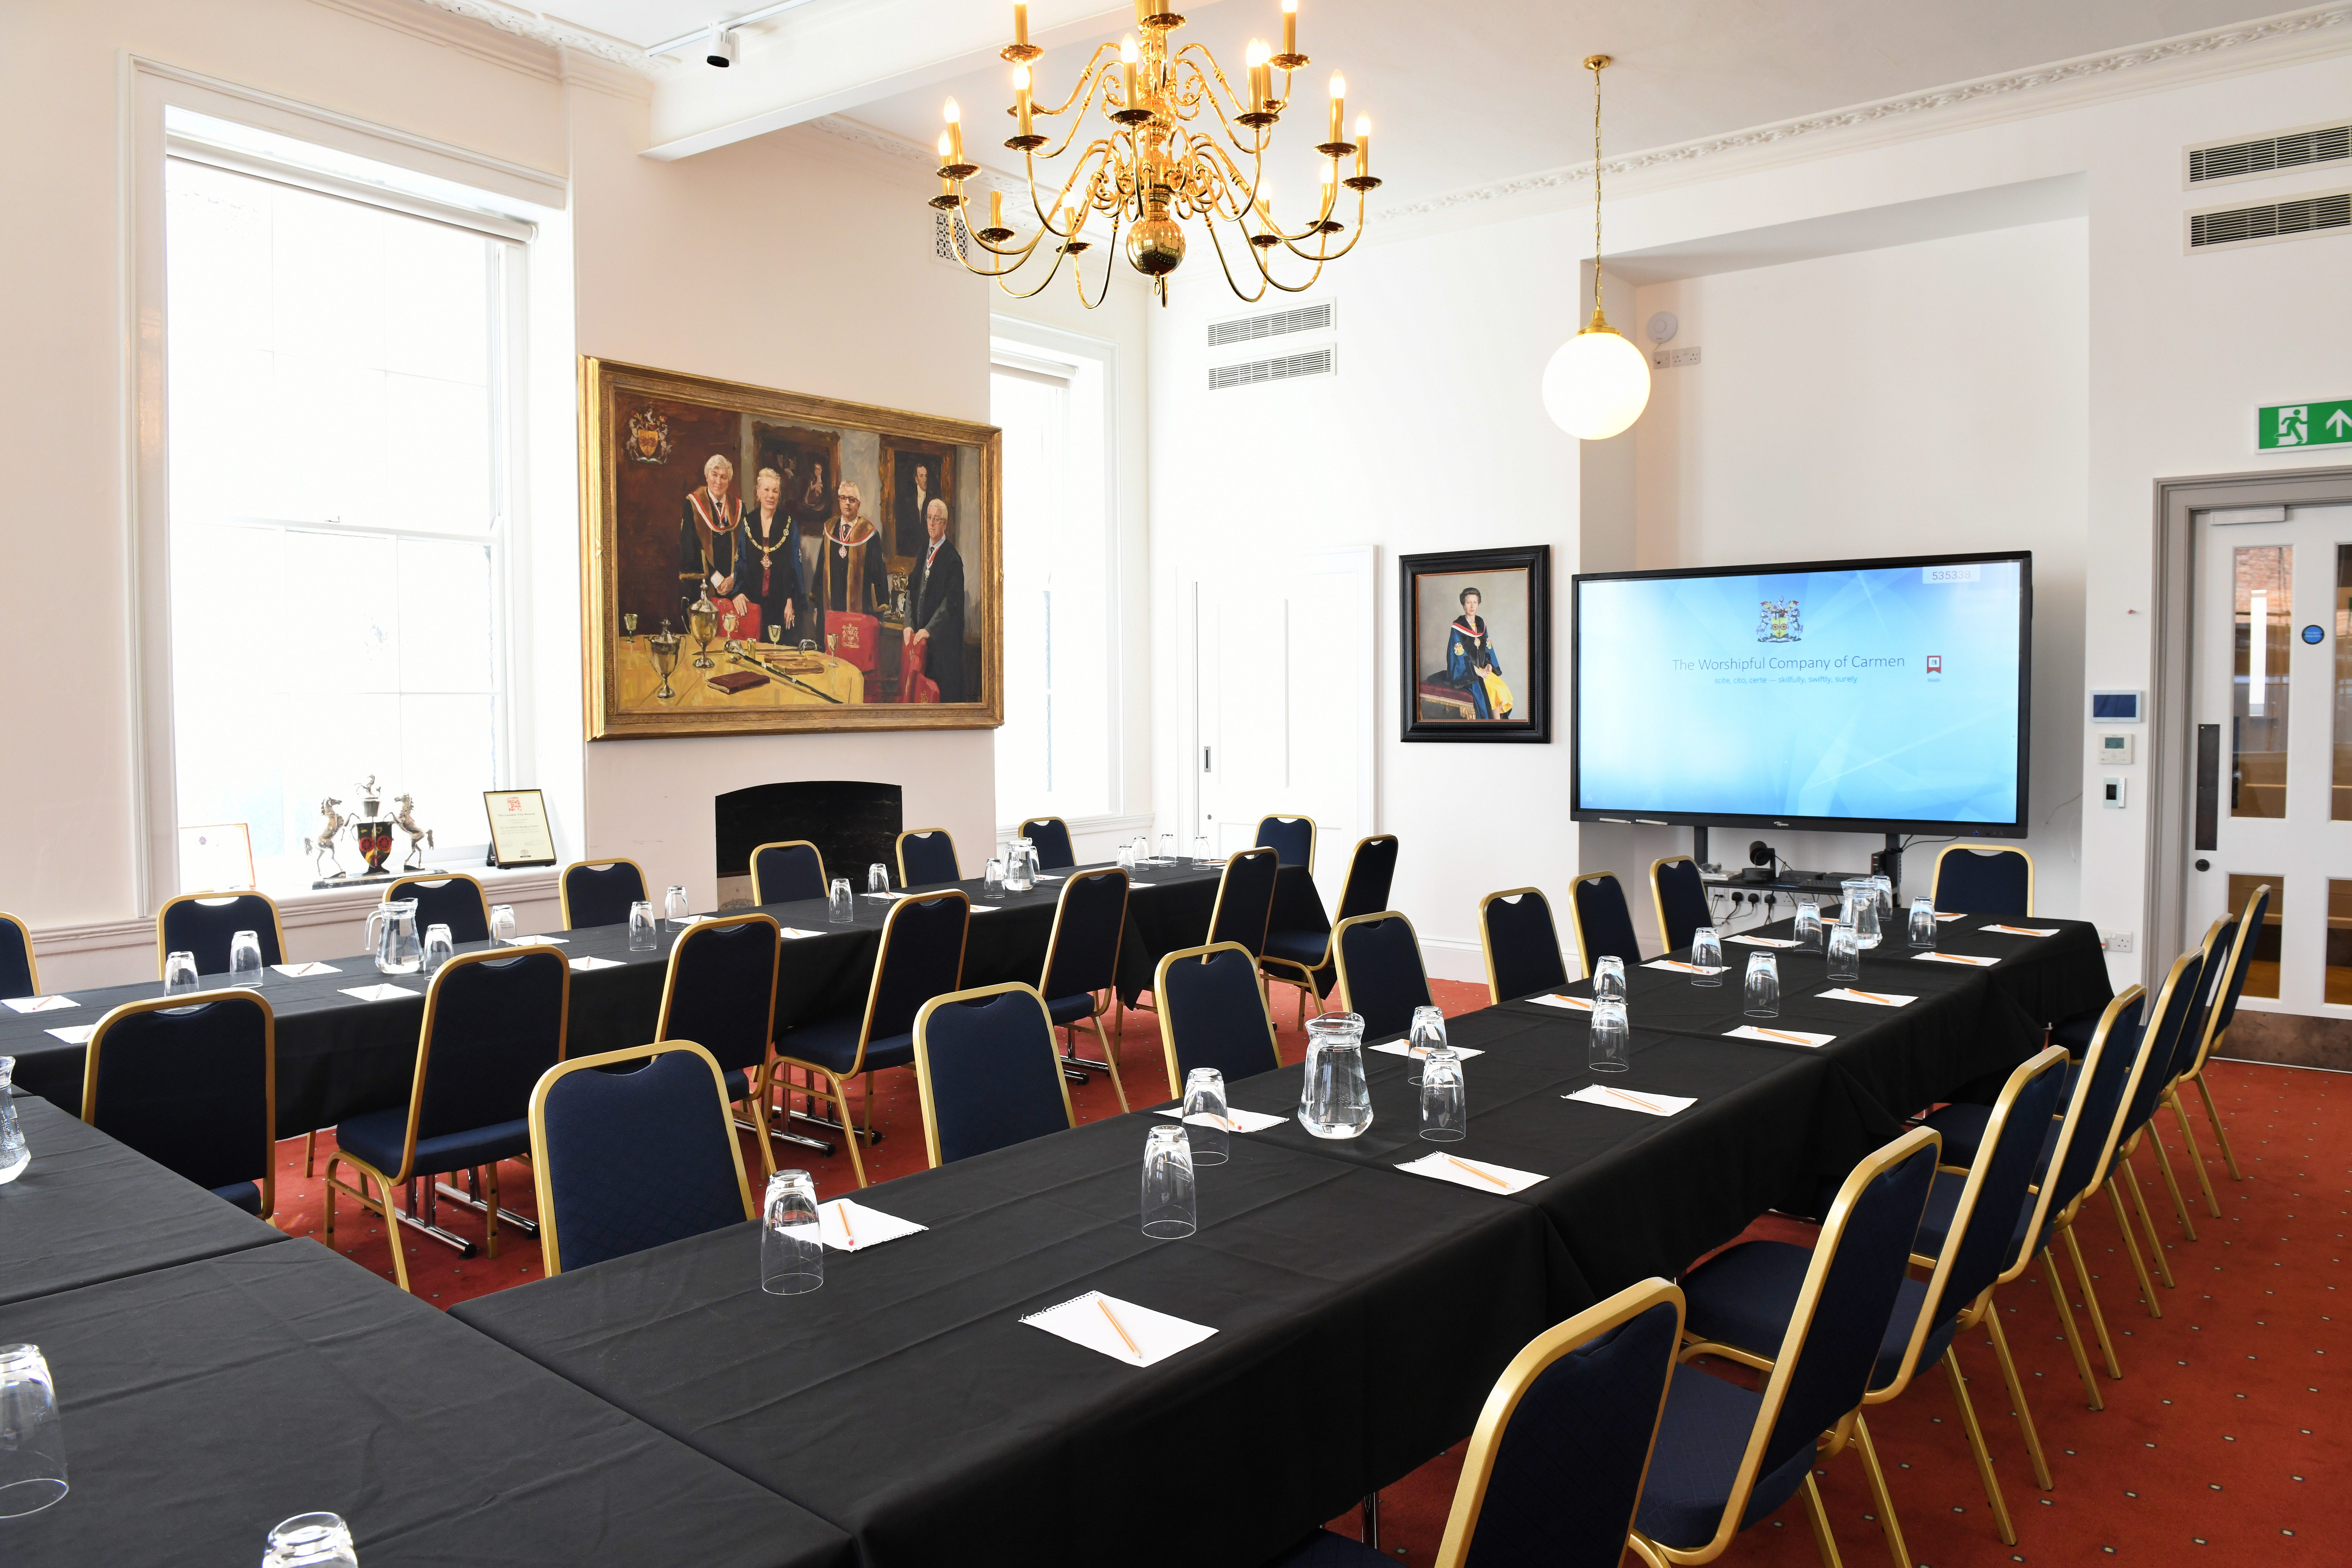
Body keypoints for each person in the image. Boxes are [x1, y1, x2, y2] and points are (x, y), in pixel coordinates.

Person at [904, 496, 965, 703]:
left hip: (941, 646)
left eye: (937, 519)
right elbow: (911, 590)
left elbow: (950, 605)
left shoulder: (953, 559)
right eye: (929, 518)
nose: (931, 523)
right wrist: (908, 624)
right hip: (922, 642)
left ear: (945, 524)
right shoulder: (923, 551)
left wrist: (928, 630)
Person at [742, 465, 814, 640]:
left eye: (775, 491)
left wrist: (792, 600)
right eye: (766, 490)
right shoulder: (748, 522)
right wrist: (739, 593)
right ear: (758, 492)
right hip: (753, 602)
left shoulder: (789, 524)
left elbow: (795, 567)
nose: (771, 496)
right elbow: (741, 562)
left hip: (781, 603)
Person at [678, 453, 744, 611]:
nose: (719, 482)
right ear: (707, 476)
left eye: (724, 477)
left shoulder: (739, 508)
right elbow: (690, 547)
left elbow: (745, 548)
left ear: (729, 481)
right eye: (715, 475)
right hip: (703, 586)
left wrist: (733, 579)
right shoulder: (693, 505)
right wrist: (717, 579)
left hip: (732, 590)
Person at [818, 479, 884, 624]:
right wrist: (817, 607)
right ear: (839, 501)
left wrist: (878, 614)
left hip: (861, 611)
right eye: (844, 499)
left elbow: (878, 574)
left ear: (859, 505)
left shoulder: (870, 534)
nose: (848, 503)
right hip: (832, 607)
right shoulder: (830, 529)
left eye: (852, 500)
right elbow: (820, 570)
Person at [1446, 586, 1513, 720]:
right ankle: (1496, 723)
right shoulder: (1458, 627)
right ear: (1464, 605)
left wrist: (1489, 665)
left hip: (1482, 670)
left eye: (1475, 602)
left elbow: (1488, 649)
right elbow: (1458, 655)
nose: (1472, 606)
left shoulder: (1482, 624)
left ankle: (1498, 723)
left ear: (1478, 604)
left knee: (1503, 688)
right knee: (1493, 691)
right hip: (1467, 673)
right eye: (1469, 603)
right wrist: (1475, 670)